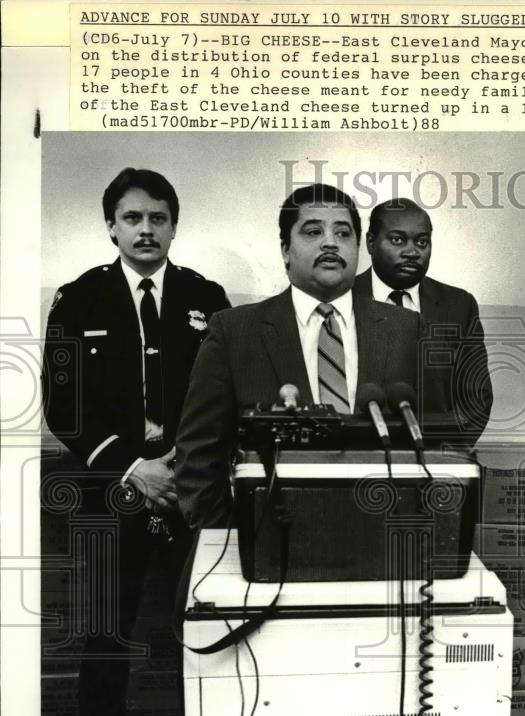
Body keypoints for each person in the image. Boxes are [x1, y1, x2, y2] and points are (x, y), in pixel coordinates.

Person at [42, 167, 230, 716]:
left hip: (189, 487)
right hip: (107, 488)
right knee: (103, 631)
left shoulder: (207, 299)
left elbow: (224, 397)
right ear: (111, 227)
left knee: (211, 619)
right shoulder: (78, 300)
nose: (145, 230)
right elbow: (63, 408)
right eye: (132, 218)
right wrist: (132, 464)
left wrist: (180, 465)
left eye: (158, 218)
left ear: (174, 226)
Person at [174, 183, 430, 530]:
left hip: (380, 539)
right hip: (270, 543)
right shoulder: (235, 331)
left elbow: (432, 443)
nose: (330, 242)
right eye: (313, 231)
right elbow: (198, 458)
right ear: (285, 249)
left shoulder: (405, 329)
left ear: (358, 247)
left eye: (343, 232)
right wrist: (232, 543)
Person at [354, 198, 493, 444]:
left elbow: (477, 397)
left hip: (434, 459)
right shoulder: (343, 299)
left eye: (422, 242)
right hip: (357, 456)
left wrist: (446, 456)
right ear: (371, 243)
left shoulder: (459, 305)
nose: (412, 252)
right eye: (397, 240)